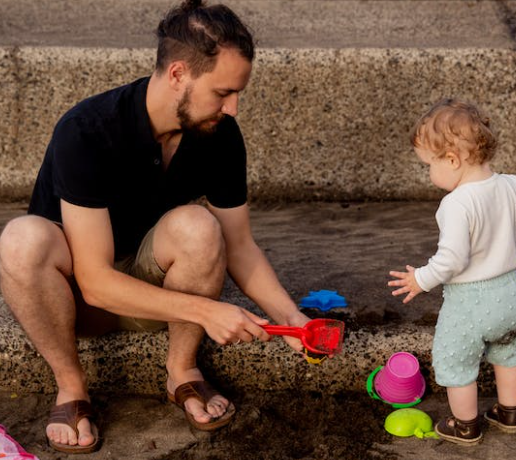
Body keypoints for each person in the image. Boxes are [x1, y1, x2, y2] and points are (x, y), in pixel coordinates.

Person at [0, 0, 310, 454]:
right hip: (74, 299)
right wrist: (207, 311)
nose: (234, 108)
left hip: (156, 296)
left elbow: (240, 246)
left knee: (199, 226)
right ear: (179, 74)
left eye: (237, 93)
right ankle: (70, 386)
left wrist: (293, 320)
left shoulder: (218, 135)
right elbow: (95, 283)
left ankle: (182, 370)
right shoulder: (87, 130)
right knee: (21, 239)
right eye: (223, 92)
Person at [387, 99, 516, 446]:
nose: (430, 174)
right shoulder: (510, 185)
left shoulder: (455, 204)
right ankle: (510, 413)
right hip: (511, 295)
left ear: (452, 160)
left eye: (429, 165)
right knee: (508, 357)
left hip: (470, 304)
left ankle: (465, 425)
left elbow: (451, 259)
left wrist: (420, 279)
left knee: (456, 363)